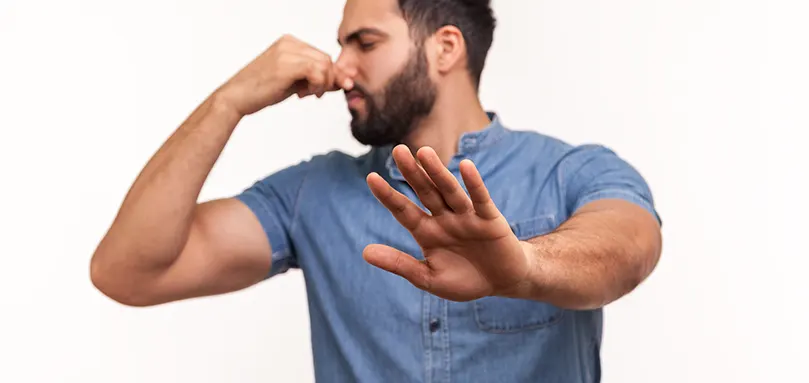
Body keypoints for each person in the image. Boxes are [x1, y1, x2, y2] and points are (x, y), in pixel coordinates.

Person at [90, 0, 663, 381]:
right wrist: (228, 101)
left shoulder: (571, 171)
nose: (340, 68)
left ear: (445, 48)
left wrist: (523, 266)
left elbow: (628, 251)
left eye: (364, 44)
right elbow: (128, 271)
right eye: (340, 46)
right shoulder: (310, 193)